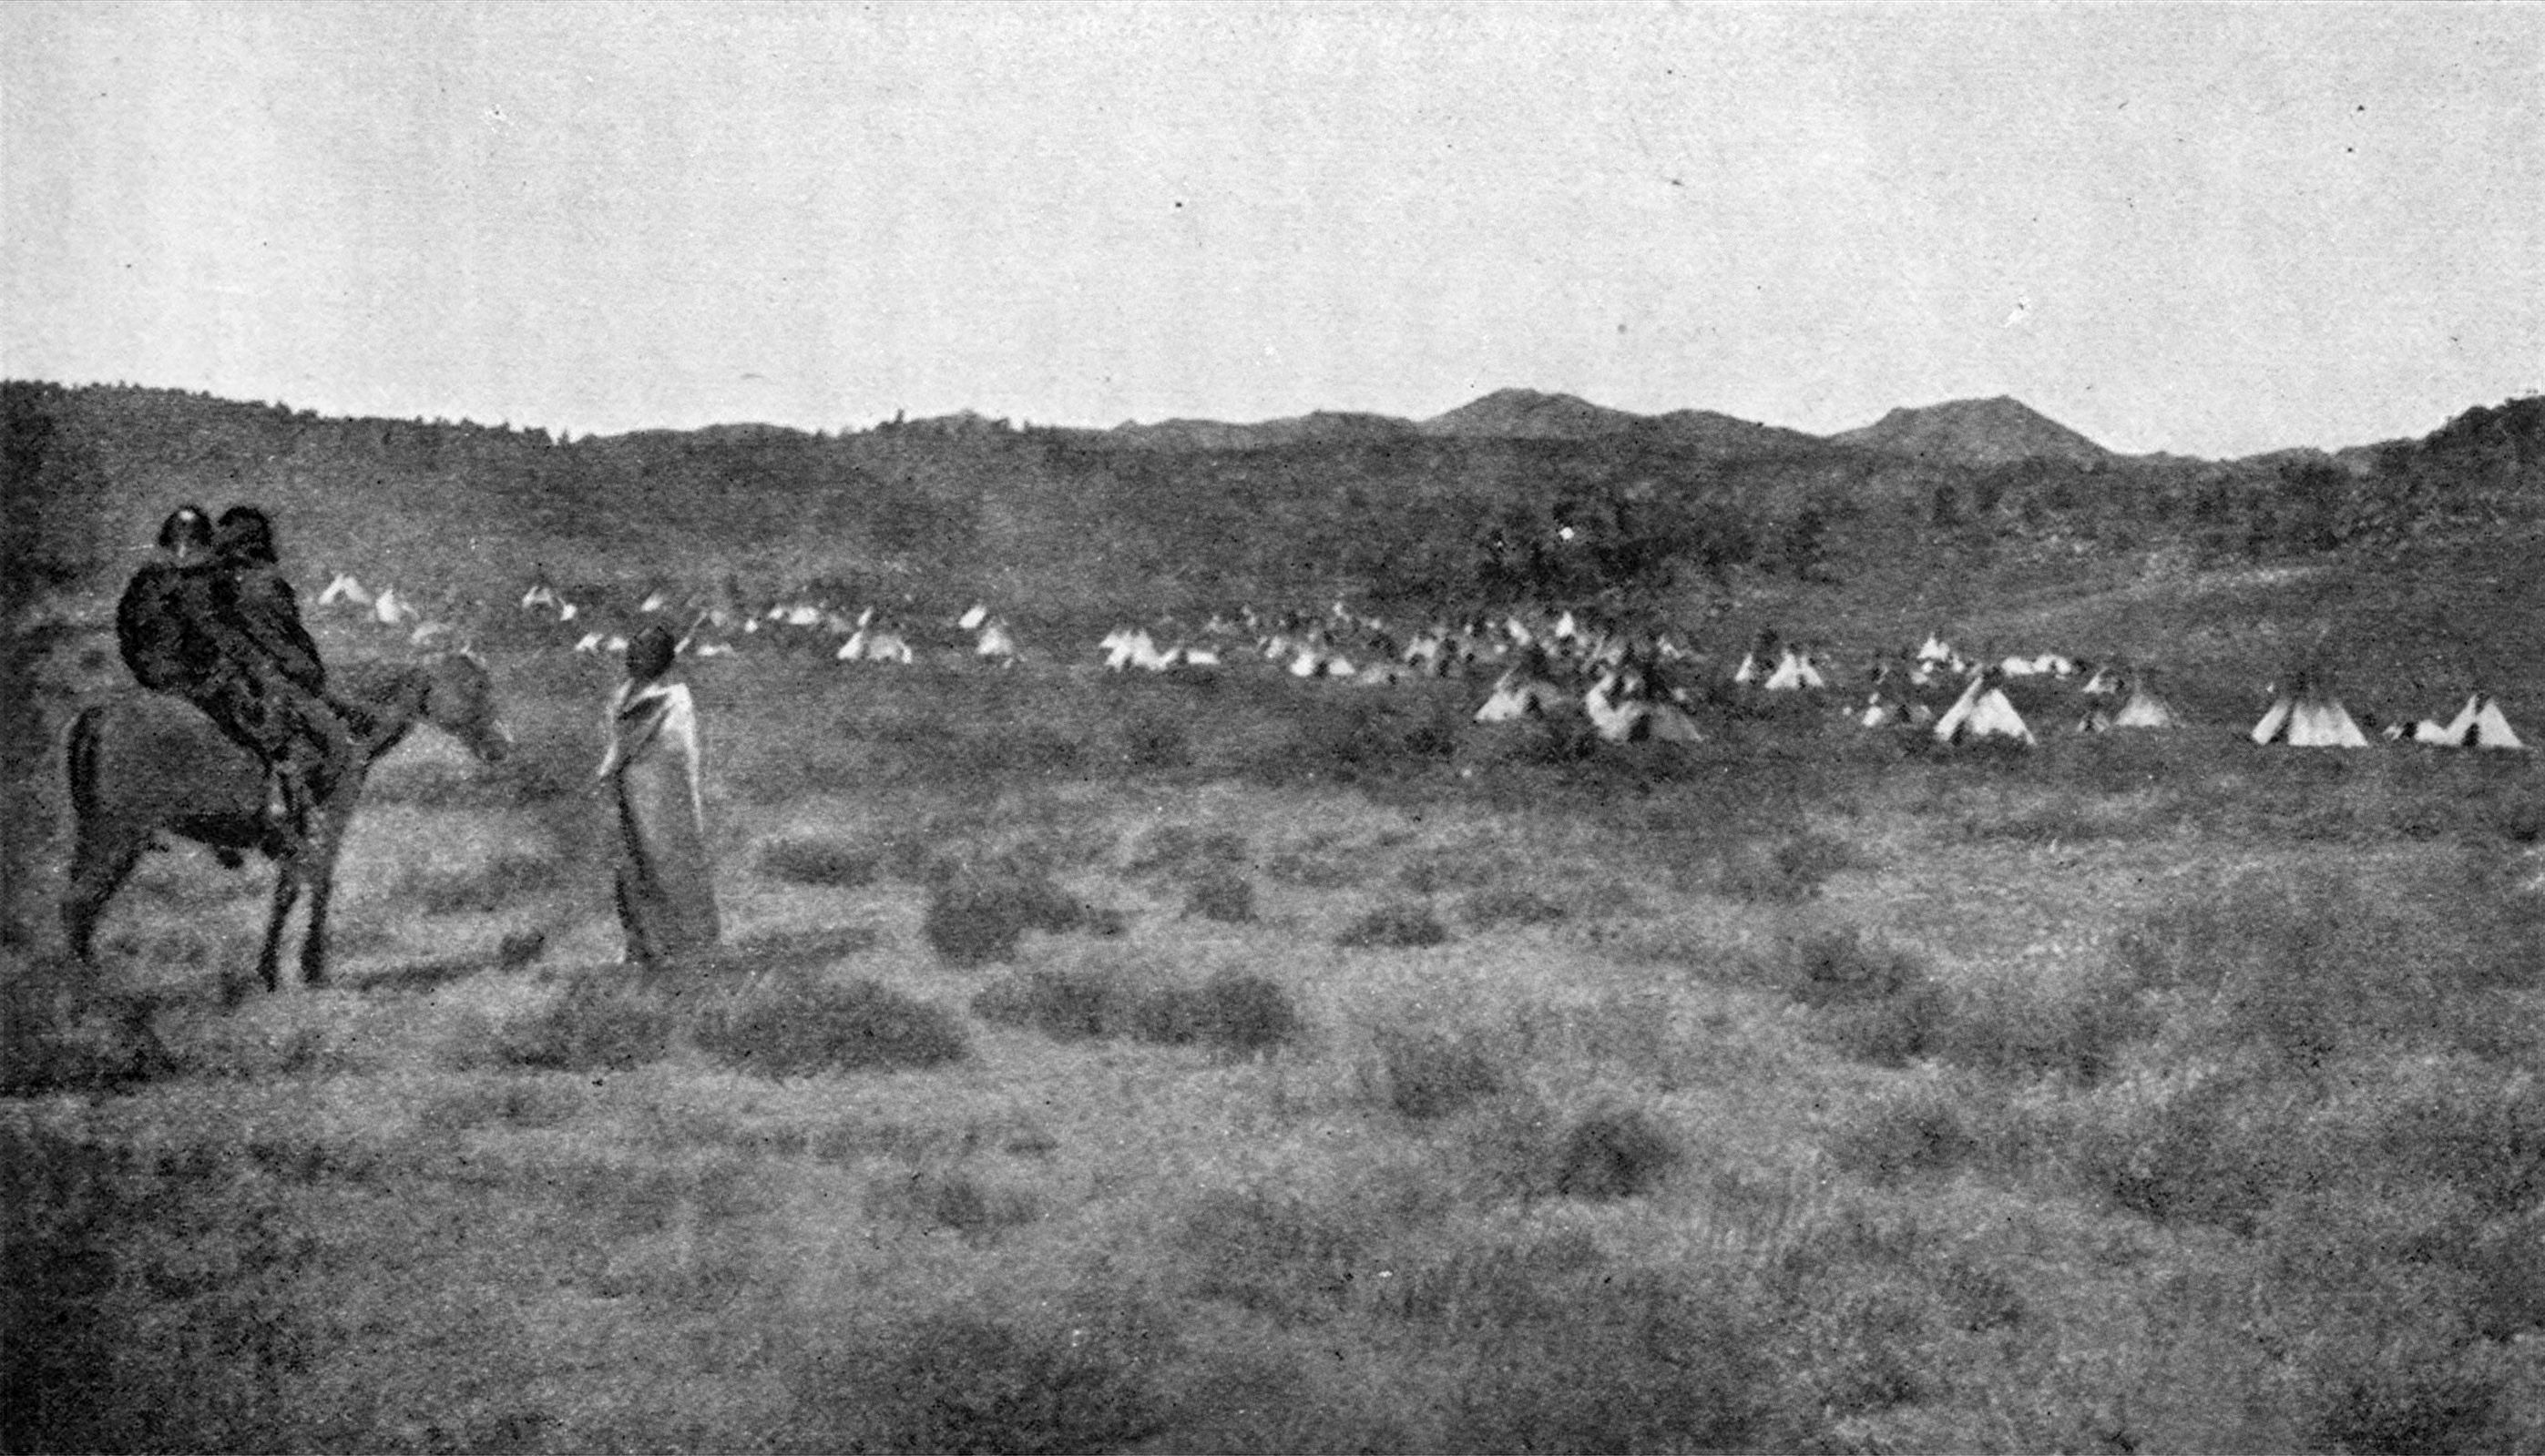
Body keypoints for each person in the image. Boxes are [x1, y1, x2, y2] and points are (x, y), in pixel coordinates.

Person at [597, 625, 721, 967]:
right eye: (634, 649)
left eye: (646, 651)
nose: (635, 657)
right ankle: (641, 943)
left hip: (659, 796)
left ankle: (683, 943)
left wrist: (612, 770)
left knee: (666, 861)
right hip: (632, 792)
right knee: (631, 865)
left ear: (662, 659)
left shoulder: (671, 699)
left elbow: (667, 752)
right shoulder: (624, 695)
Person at [116, 504, 219, 694]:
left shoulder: (212, 578)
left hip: (199, 674)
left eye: (192, 531)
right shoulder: (149, 578)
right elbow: (128, 623)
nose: (185, 535)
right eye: (180, 528)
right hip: (155, 668)